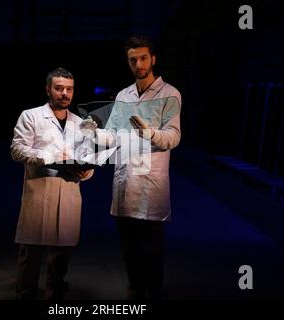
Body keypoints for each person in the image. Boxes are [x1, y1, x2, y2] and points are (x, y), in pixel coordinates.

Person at [82, 36, 181, 299]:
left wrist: (150, 133)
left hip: (150, 182)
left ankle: (152, 295)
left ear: (153, 59)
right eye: (133, 59)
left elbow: (173, 137)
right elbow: (113, 136)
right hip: (126, 181)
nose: (138, 64)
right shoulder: (124, 96)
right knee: (129, 248)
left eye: (143, 58)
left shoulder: (169, 94)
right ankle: (135, 291)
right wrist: (94, 133)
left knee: (152, 248)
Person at [10, 67, 93, 300]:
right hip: (40, 194)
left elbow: (88, 156)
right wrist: (50, 157)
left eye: (69, 89)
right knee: (31, 256)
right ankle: (25, 295)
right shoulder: (31, 116)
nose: (64, 93)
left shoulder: (82, 123)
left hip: (68, 194)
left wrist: (86, 170)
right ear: (48, 90)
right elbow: (17, 149)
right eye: (59, 88)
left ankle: (54, 298)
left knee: (61, 256)